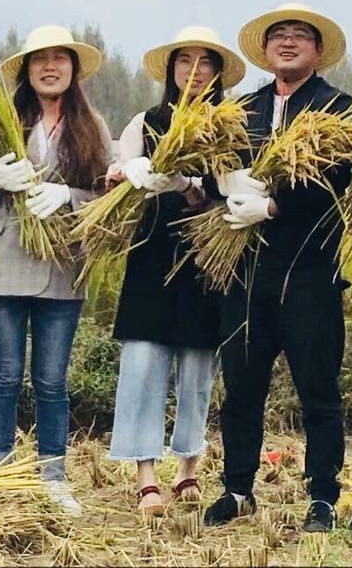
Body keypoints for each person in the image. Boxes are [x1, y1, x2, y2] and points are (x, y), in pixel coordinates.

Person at [202, 3, 352, 533]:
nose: (287, 44)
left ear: (317, 51)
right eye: (278, 37)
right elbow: (207, 176)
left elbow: (341, 185)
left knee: (318, 387)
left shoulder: (336, 110)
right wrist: (223, 187)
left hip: (310, 270)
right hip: (244, 269)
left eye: (299, 37)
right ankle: (237, 489)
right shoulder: (238, 110)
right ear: (265, 51)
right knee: (241, 388)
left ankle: (322, 497)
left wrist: (273, 206)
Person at [105, 26, 246, 516]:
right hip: (152, 251)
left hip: (208, 255)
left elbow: (236, 187)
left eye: (204, 62)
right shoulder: (144, 121)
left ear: (217, 73)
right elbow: (117, 179)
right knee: (143, 361)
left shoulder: (230, 125)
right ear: (171, 70)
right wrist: (130, 175)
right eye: (183, 61)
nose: (193, 70)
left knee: (198, 364)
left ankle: (188, 464)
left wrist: (193, 186)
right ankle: (145, 473)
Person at [0, 25, 111, 513]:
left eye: (59, 59)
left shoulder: (92, 126)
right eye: (39, 60)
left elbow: (106, 198)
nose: (49, 67)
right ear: (26, 71)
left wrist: (68, 197)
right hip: (4, 258)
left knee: (51, 380)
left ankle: (53, 476)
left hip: (61, 264)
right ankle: (1, 473)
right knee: (5, 376)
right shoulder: (2, 120)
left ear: (73, 70)